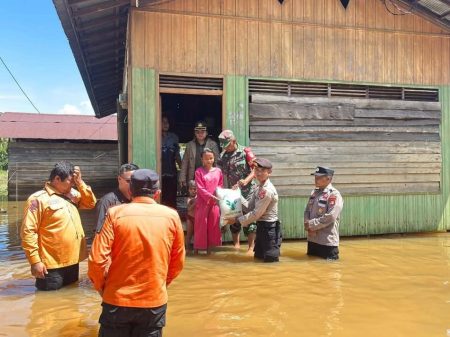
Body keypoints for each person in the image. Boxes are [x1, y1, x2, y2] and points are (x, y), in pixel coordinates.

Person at [88, 169, 185, 337]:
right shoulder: (172, 217)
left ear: (131, 190)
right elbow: (177, 262)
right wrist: (161, 284)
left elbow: (96, 260)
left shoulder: (115, 214)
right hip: (153, 301)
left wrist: (102, 287)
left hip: (116, 300)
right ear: (157, 193)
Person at [21, 161, 96, 290]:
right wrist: (35, 261)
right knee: (48, 304)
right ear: (57, 179)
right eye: (70, 181)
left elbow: (90, 203)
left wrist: (80, 183)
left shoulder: (72, 195)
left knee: (71, 300)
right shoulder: (38, 199)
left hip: (73, 261)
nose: (72, 184)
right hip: (50, 265)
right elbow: (28, 231)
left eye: (74, 181)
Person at [225, 158, 281, 263]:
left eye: (262, 170)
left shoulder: (266, 190)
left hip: (269, 230)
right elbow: (249, 207)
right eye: (256, 170)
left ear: (269, 172)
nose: (258, 173)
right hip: (261, 228)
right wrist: (237, 194)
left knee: (271, 263)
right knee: (258, 261)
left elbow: (256, 214)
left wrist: (236, 220)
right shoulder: (258, 187)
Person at [218, 130, 257, 253]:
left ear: (233, 141)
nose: (226, 148)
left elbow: (256, 170)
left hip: (248, 192)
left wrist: (245, 181)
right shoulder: (223, 156)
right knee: (234, 219)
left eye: (227, 145)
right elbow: (219, 173)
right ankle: (236, 246)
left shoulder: (246, 152)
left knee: (249, 219)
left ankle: (251, 248)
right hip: (232, 192)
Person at [304, 166, 344, 260]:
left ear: (328, 178)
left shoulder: (334, 195)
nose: (316, 179)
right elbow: (307, 211)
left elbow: (331, 216)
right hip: (312, 240)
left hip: (327, 242)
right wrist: (307, 225)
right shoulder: (314, 193)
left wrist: (311, 225)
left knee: (329, 272)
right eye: (315, 177)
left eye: (319, 177)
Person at [94, 163, 139, 234]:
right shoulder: (107, 201)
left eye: (135, 181)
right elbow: (100, 233)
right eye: (129, 181)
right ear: (119, 179)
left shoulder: (140, 200)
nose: (132, 184)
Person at [194, 148, 223, 254]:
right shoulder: (198, 171)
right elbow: (200, 188)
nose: (209, 160)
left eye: (211, 158)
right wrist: (210, 196)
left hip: (214, 203)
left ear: (214, 158)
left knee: (214, 225)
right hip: (202, 202)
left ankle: (213, 250)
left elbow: (220, 185)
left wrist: (217, 195)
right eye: (206, 159)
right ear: (202, 159)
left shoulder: (218, 171)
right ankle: (198, 249)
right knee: (201, 225)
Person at [179, 121, 220, 188]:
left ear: (206, 133)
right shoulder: (190, 145)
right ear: (195, 133)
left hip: (208, 176)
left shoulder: (213, 144)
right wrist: (182, 177)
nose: (200, 134)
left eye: (202, 132)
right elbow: (185, 162)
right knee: (194, 197)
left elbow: (217, 162)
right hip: (193, 177)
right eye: (197, 132)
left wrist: (217, 176)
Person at [161, 115, 181, 209]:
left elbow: (177, 155)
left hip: (171, 172)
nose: (166, 124)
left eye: (167, 122)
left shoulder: (173, 137)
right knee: (161, 197)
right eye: (163, 122)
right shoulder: (154, 136)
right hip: (159, 173)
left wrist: (182, 171)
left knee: (171, 198)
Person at [185, 180, 197, 251]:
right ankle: (187, 249)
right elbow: (189, 209)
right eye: (191, 189)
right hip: (190, 218)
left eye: (195, 189)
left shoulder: (199, 197)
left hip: (197, 219)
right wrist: (195, 202)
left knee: (196, 236)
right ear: (189, 190)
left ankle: (196, 250)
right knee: (189, 235)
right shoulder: (189, 199)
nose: (193, 191)